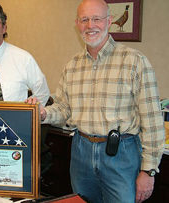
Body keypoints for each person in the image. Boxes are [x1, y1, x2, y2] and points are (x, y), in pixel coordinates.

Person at [26, 0, 165, 202]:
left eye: (96, 19)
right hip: (81, 151)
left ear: (109, 21)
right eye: (84, 20)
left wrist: (148, 170)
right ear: (77, 24)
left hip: (121, 153)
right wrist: (44, 113)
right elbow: (64, 109)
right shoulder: (72, 65)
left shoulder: (134, 61)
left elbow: (152, 121)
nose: (90, 25)